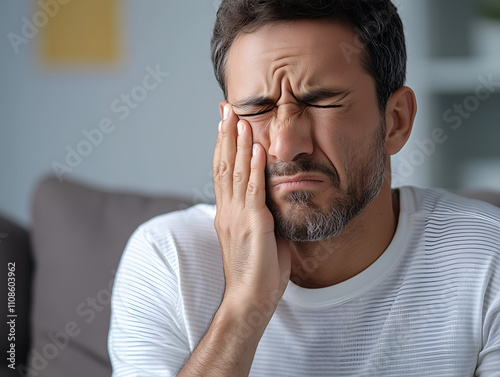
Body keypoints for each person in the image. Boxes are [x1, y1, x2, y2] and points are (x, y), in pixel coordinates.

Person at [108, 0, 500, 375]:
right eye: (257, 109)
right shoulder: (167, 259)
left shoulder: (487, 258)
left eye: (322, 102)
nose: (286, 145)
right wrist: (245, 304)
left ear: (395, 121)